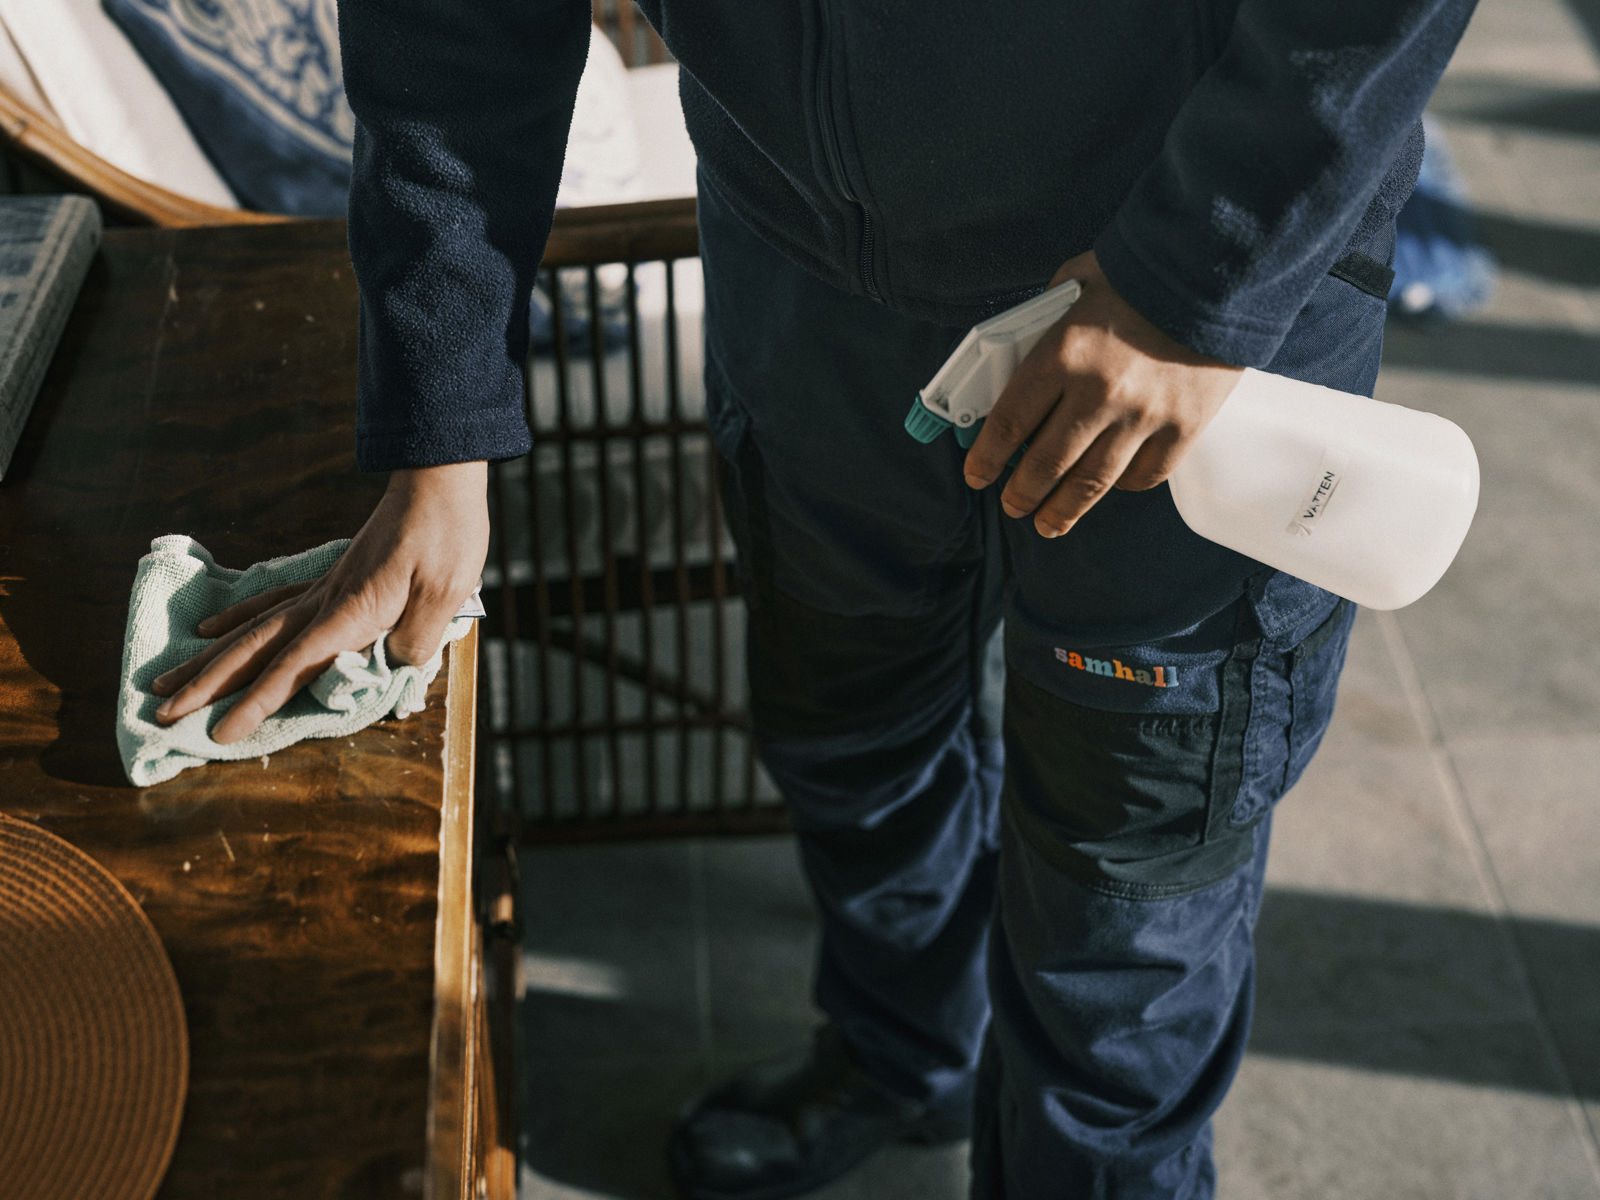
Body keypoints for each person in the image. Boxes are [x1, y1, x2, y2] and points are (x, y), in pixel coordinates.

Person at [154, 1, 1479, 1195]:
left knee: (1126, 887)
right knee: (847, 729)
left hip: (1186, 313)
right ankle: (905, 1048)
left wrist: (1195, 287)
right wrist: (442, 437)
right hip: (807, 272)